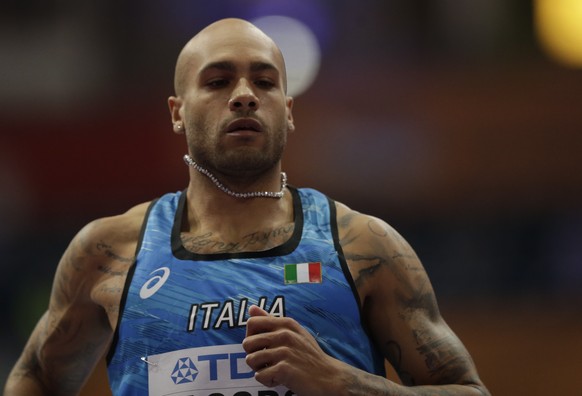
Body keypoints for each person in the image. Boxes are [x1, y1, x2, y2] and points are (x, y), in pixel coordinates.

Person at [4, 18, 489, 396]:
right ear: (177, 112)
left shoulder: (364, 245)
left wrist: (343, 383)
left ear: (288, 110)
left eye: (264, 81)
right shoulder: (108, 251)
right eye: (217, 82)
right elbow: (36, 379)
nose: (243, 96)